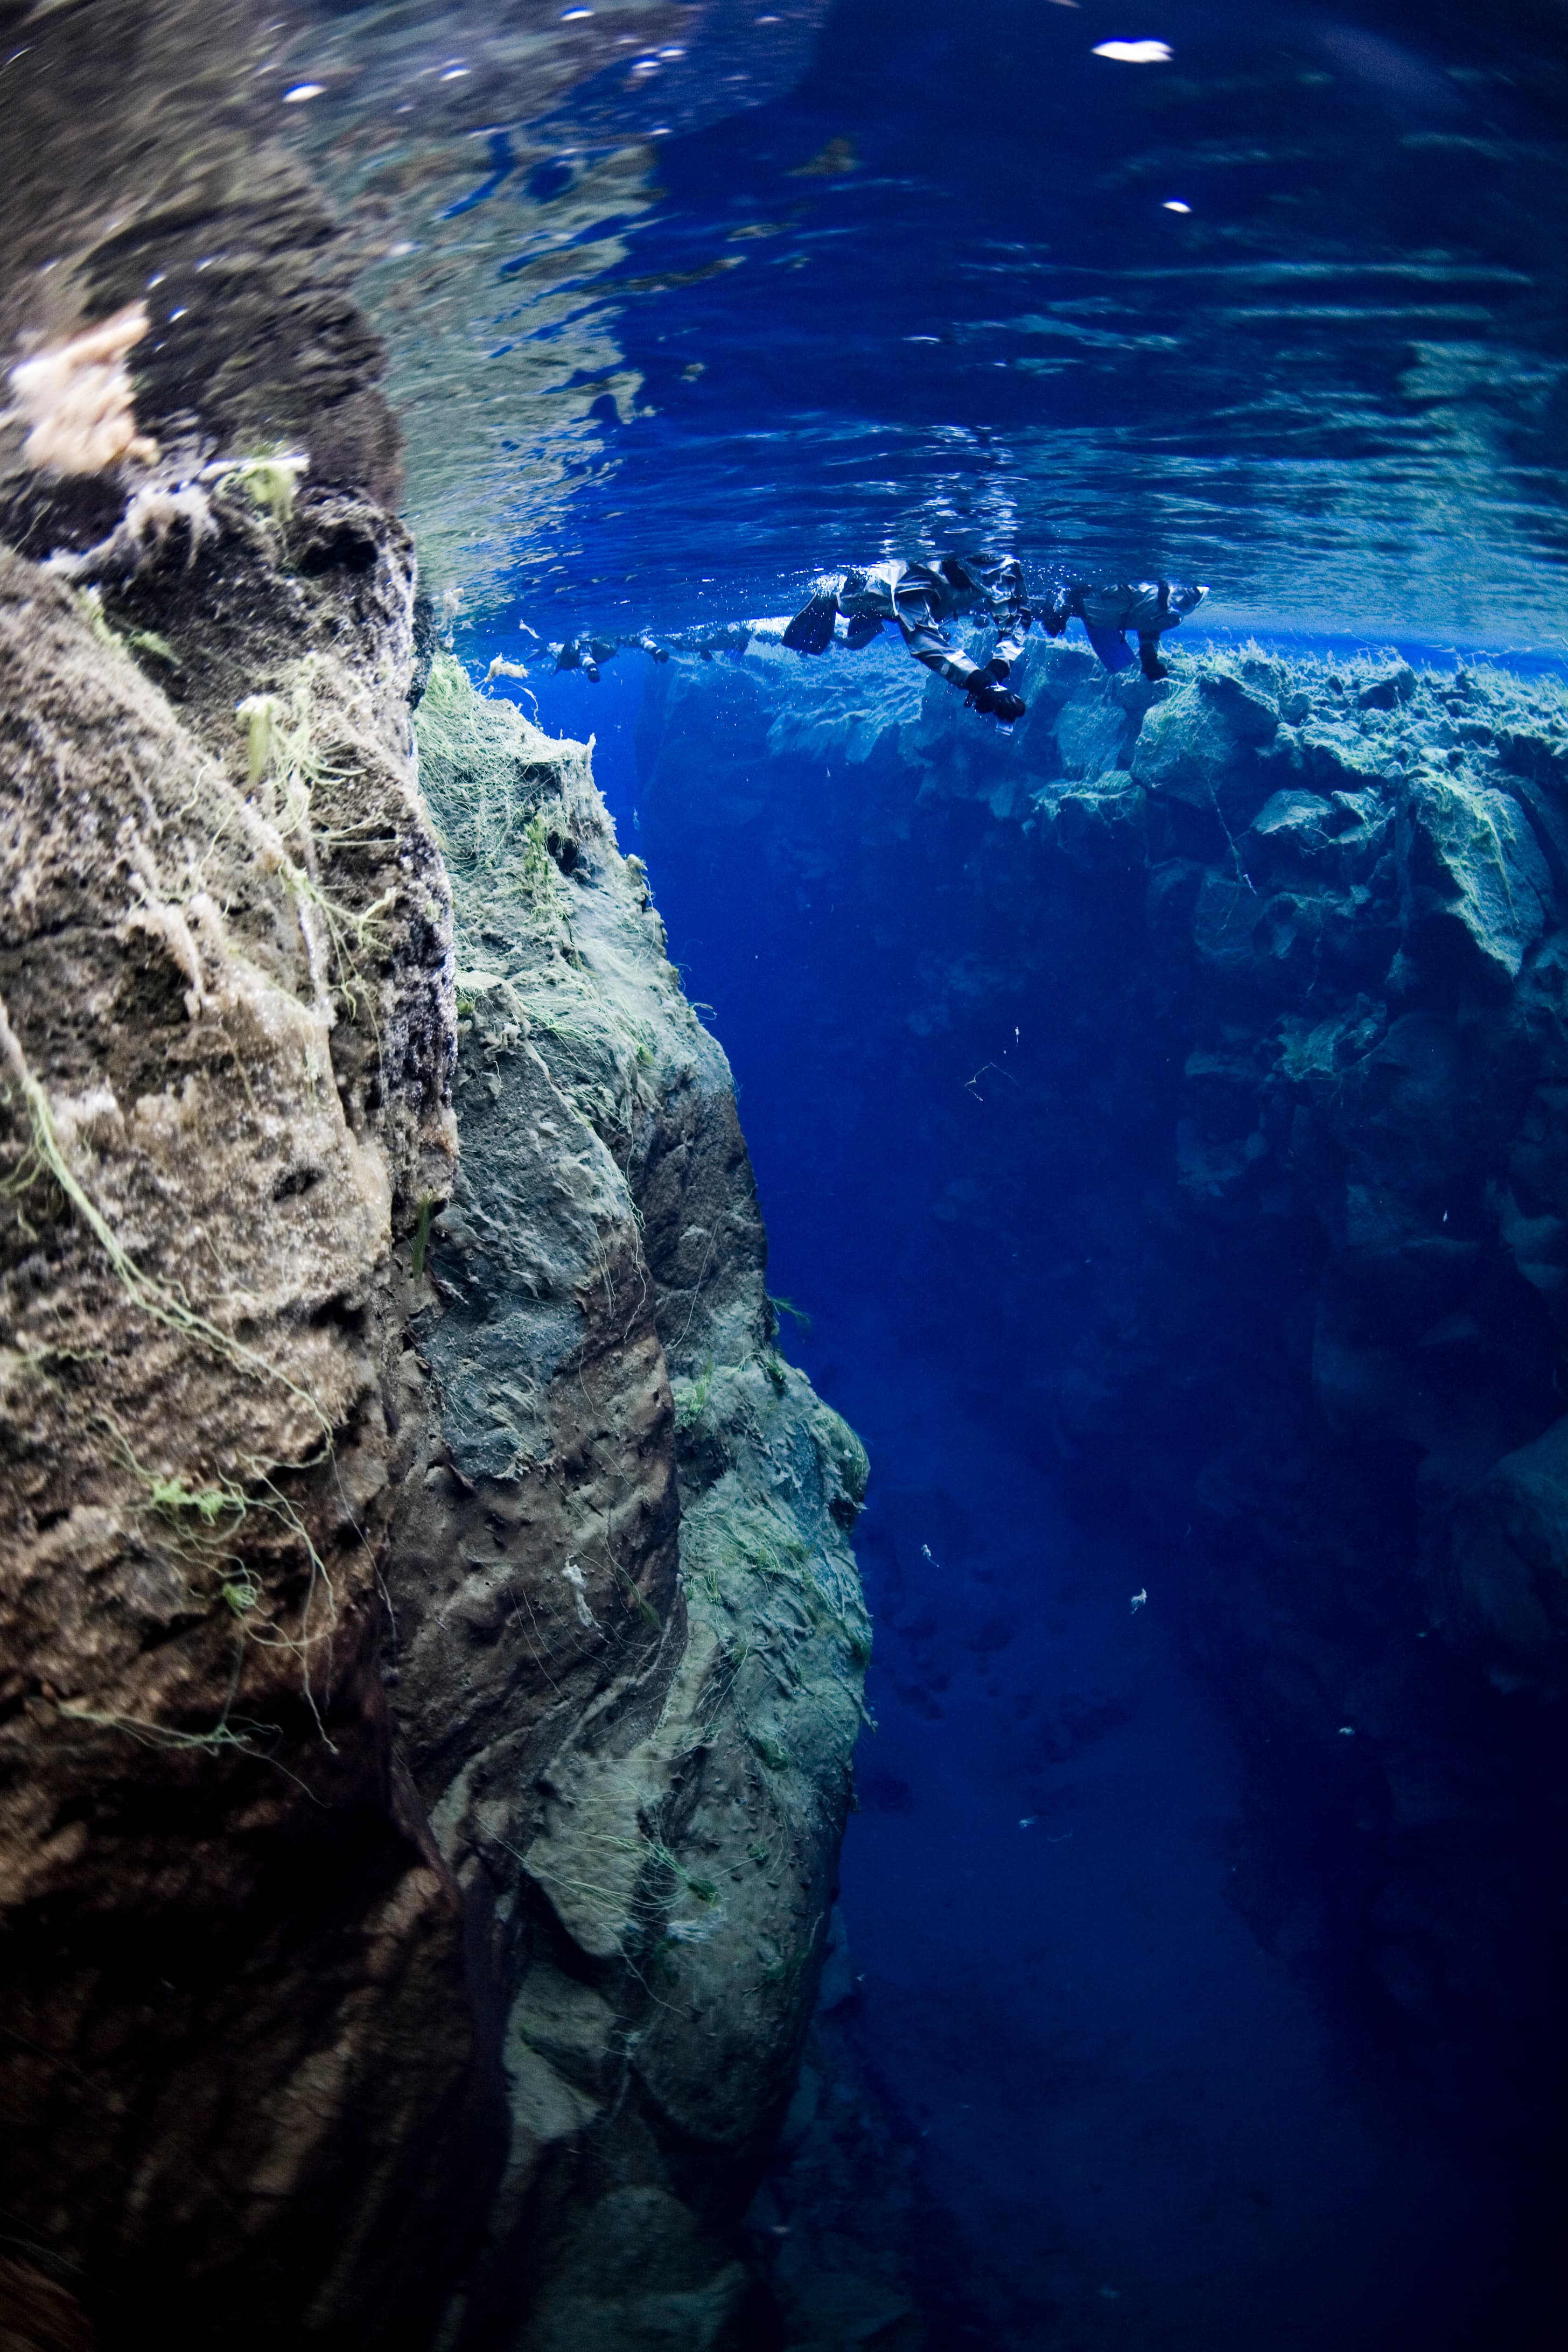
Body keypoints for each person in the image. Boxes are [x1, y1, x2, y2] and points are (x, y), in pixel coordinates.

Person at [783, 554, 1030, 720]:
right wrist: (980, 683)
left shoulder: (1002, 565)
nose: (990, 575)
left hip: (936, 603)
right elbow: (922, 639)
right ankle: (828, 599)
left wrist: (995, 672)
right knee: (845, 606)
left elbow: (1016, 620)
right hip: (878, 597)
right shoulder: (916, 571)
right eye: (982, 569)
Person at [1042, 577, 1207, 680]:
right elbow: (1087, 586)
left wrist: (1149, 658)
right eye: (1183, 594)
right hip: (1087, 605)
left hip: (1101, 622)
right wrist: (1062, 612)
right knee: (1078, 601)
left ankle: (1060, 610)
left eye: (1189, 601)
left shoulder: (1172, 619)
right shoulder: (1143, 590)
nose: (1182, 600)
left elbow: (1149, 629)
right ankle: (1054, 608)